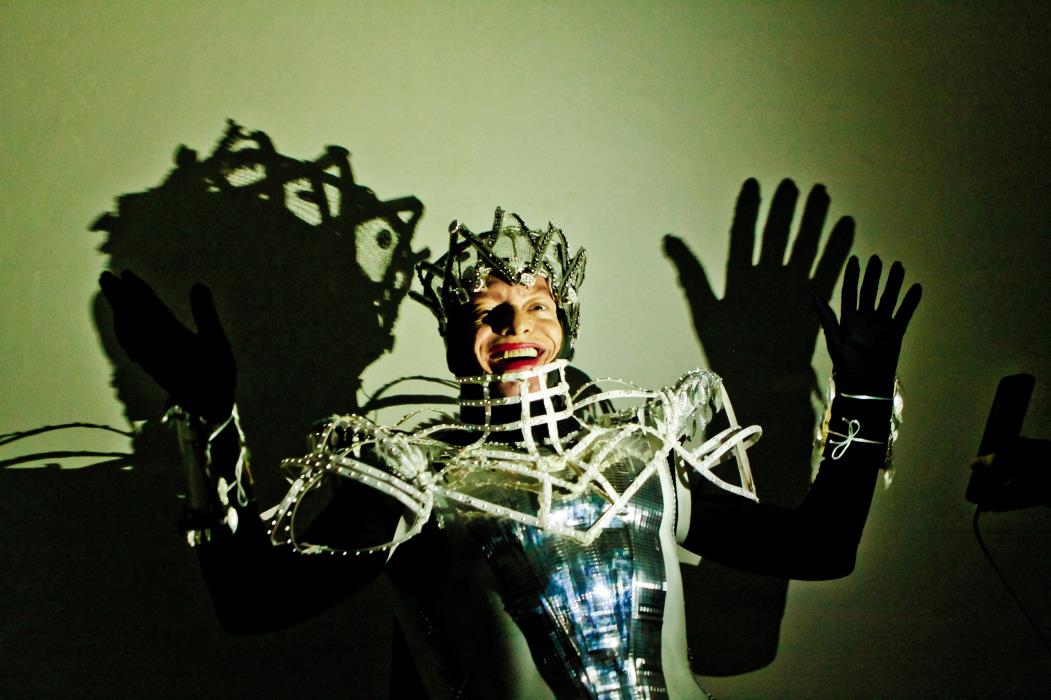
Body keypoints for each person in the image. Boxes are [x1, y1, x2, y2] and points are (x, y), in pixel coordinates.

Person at [99, 192, 921, 699]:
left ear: (564, 325)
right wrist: (208, 418)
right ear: (455, 338)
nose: (514, 327)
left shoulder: (640, 454)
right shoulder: (413, 474)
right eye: (487, 312)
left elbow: (818, 548)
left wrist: (851, 390)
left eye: (536, 307)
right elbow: (252, 604)